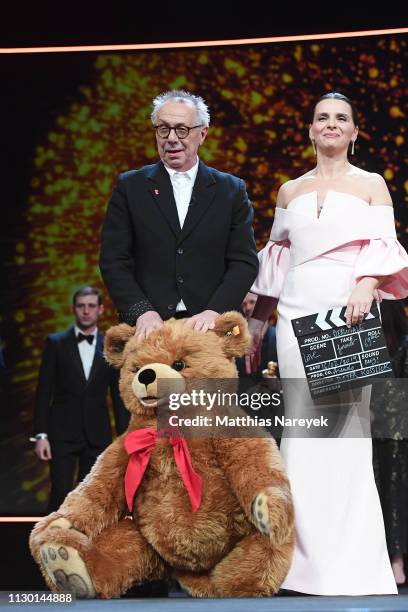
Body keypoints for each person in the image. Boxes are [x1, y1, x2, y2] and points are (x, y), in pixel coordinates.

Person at [247, 92, 408, 595]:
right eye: (323, 118)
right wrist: (256, 324)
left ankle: (352, 565)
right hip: (296, 312)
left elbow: (383, 247)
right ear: (311, 131)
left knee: (344, 437)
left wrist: (367, 284)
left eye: (342, 118)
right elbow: (275, 262)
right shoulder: (289, 190)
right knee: (301, 435)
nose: (332, 124)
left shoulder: (371, 185)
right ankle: (299, 566)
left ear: (355, 132)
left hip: (346, 312)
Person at [99, 90, 258, 337]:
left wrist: (214, 312)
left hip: (211, 333)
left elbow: (244, 262)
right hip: (150, 332)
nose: (171, 138)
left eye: (182, 130)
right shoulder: (130, 187)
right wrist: (142, 312)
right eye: (163, 129)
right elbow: (114, 260)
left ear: (202, 133)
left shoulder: (231, 190)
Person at [33, 286, 129, 512]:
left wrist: (126, 438)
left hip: (97, 434)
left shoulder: (111, 347)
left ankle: (84, 546)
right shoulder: (56, 343)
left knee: (91, 498)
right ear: (73, 309)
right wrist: (41, 435)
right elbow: (43, 393)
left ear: (100, 310)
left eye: (91, 306)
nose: (86, 311)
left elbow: (117, 395)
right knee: (60, 492)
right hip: (61, 434)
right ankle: (51, 541)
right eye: (81, 306)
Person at [236, 292, 278, 382]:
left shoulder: (278, 336)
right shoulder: (236, 329)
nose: (248, 307)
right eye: (244, 304)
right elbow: (224, 335)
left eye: (252, 302)